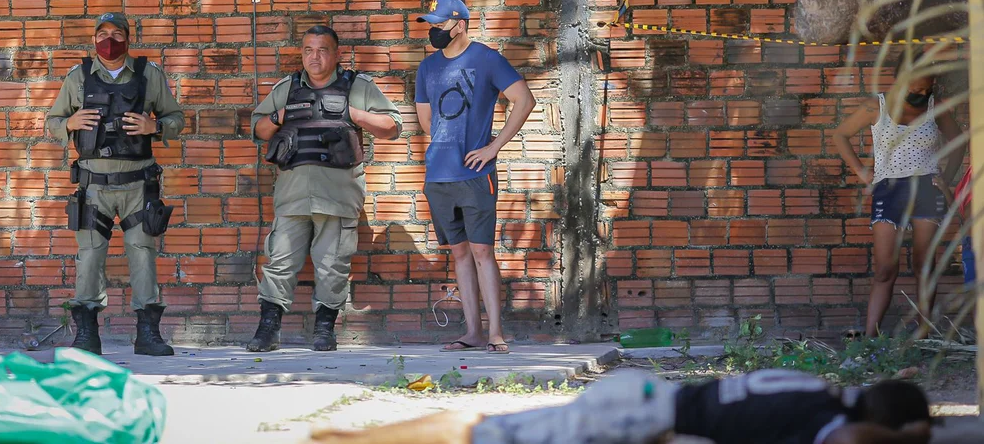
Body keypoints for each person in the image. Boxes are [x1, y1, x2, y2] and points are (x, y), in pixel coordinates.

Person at [247, 25, 402, 352]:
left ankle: (325, 328)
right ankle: (268, 328)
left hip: (338, 194)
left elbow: (392, 126)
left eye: (322, 50)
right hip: (293, 194)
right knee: (280, 261)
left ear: (337, 54)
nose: (314, 57)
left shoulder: (358, 87)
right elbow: (259, 129)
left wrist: (352, 113)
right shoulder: (287, 88)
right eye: (308, 50)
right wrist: (281, 115)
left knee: (333, 265)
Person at [46, 12, 185, 356]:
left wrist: (155, 127)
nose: (110, 40)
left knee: (143, 256)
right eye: (103, 33)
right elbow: (51, 121)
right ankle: (87, 336)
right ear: (94, 39)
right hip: (93, 187)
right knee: (90, 258)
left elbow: (176, 118)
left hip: (139, 185)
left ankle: (148, 335)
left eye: (117, 34)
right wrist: (70, 122)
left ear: (128, 38)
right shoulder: (78, 77)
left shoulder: (149, 75)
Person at [307, 368, 934, 444]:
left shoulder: (814, 386)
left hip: (647, 402)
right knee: (483, 432)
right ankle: (356, 441)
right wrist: (915, 437)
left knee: (491, 430)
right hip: (640, 411)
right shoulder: (832, 423)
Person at [414, 0, 536, 355]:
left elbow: (524, 99)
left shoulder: (485, 58)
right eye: (431, 26)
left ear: (460, 25)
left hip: (474, 173)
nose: (434, 32)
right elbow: (426, 120)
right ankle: (473, 332)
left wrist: (493, 146)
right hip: (438, 176)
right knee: (460, 253)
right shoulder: (427, 67)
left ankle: (496, 333)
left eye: (440, 25)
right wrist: (444, 145)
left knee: (483, 250)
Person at [834, 54, 964, 338]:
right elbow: (840, 135)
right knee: (885, 269)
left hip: (927, 190)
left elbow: (958, 142)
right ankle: (870, 338)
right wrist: (861, 172)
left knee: (924, 265)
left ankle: (924, 336)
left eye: (926, 90)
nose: (921, 95)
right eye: (915, 89)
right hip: (889, 190)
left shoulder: (935, 107)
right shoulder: (875, 106)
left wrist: (946, 178)